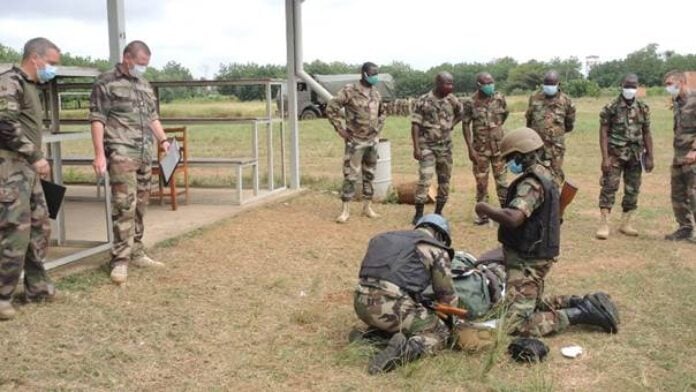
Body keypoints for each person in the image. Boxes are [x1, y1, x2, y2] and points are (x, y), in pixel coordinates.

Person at [475, 127, 619, 337]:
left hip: (528, 260)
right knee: (523, 303)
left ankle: (580, 313)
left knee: (515, 324)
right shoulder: (545, 174)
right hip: (533, 254)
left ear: (522, 155)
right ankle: (576, 302)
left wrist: (484, 208)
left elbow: (514, 218)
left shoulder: (531, 183)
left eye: (511, 158)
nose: (508, 164)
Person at [89, 41, 170, 284]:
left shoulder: (144, 84)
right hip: (121, 153)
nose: (143, 68)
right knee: (124, 206)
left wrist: (164, 141)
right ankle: (120, 260)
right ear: (127, 58)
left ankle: (136, 251)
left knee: (141, 206)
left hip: (145, 155)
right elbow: (97, 119)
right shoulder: (106, 82)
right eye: (140, 63)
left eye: (146, 64)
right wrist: (99, 154)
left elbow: (152, 117)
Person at [0, 37, 61, 320]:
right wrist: (34, 154)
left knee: (39, 226)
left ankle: (37, 287)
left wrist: (35, 160)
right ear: (35, 58)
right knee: (15, 231)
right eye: (51, 62)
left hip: (28, 170)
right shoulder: (9, 81)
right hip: (10, 169)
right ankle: (2, 297)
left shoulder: (30, 86)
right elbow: (5, 124)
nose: (52, 69)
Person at [354, 214, 459, 374]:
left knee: (403, 316)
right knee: (441, 331)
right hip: (391, 307)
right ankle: (405, 350)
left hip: (360, 302)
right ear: (440, 235)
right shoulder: (436, 249)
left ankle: (370, 335)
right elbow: (447, 298)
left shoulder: (384, 238)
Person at [326, 62, 386, 223]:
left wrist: (378, 129)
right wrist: (340, 129)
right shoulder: (349, 91)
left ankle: (367, 207)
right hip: (355, 141)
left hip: (372, 141)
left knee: (369, 174)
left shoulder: (375, 93)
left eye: (377, 74)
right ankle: (345, 210)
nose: (375, 77)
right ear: (364, 74)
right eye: (373, 74)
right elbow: (331, 108)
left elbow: (382, 112)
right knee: (350, 176)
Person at [596, 74, 653, 239]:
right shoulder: (611, 107)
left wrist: (650, 155)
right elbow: (603, 132)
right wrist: (605, 157)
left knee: (633, 189)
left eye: (633, 86)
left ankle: (626, 222)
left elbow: (647, 132)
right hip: (615, 155)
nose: (630, 89)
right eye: (628, 85)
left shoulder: (643, 107)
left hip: (636, 155)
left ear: (638, 87)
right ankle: (604, 223)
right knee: (609, 187)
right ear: (622, 85)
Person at [411, 72, 463, 224]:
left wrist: (451, 125)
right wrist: (416, 148)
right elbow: (415, 125)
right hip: (427, 146)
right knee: (425, 180)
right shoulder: (423, 100)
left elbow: (461, 113)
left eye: (452, 84)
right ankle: (418, 214)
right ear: (438, 83)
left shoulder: (452, 99)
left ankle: (438, 212)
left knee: (444, 180)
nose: (450, 87)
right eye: (447, 84)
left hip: (445, 147)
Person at [462, 72, 509, 225]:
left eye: (491, 82)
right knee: (481, 183)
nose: (490, 86)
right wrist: (470, 149)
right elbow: (465, 125)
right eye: (487, 83)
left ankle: (506, 213)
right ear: (479, 85)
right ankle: (483, 215)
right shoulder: (470, 102)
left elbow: (504, 115)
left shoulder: (499, 98)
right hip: (480, 150)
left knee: (502, 183)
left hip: (499, 149)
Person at [525, 70, 576, 185]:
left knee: (554, 179)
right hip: (535, 147)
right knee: (532, 177)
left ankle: (553, 202)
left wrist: (554, 133)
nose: (549, 87)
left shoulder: (567, 101)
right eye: (546, 83)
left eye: (552, 84)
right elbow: (529, 120)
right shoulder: (534, 98)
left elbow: (569, 125)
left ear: (558, 84)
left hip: (555, 149)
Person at [663, 71, 696, 242]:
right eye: (666, 85)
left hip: (692, 155)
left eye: (671, 84)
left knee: (694, 193)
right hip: (679, 155)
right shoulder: (677, 102)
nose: (668, 87)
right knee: (677, 194)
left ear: (682, 82)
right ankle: (685, 228)